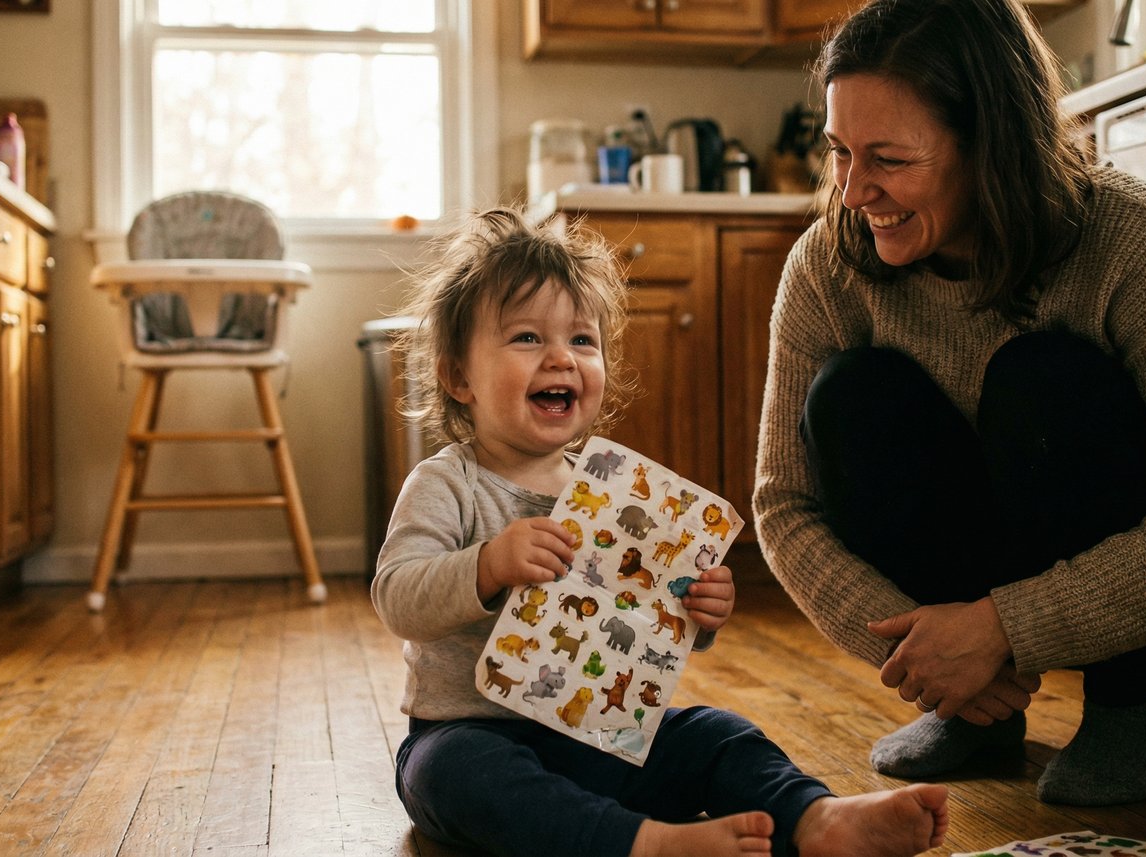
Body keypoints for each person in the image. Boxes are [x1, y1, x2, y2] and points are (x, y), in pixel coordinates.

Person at [752, 0, 1146, 808]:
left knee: (1043, 377)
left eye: (888, 158)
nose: (855, 190)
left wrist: (1004, 628)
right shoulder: (829, 265)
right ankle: (975, 714)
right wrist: (933, 658)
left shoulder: (1133, 237)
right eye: (838, 152)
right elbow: (782, 505)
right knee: (852, 395)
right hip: (977, 582)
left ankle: (1126, 703)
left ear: (988, 149)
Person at [372, 207, 950, 857]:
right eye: (527, 338)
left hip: (599, 736)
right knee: (450, 775)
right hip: (472, 734)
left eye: (582, 340)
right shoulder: (447, 483)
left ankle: (816, 816)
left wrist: (697, 612)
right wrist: (486, 564)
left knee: (715, 732)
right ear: (457, 377)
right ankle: (645, 843)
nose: (562, 355)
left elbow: (639, 617)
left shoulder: (612, 490)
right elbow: (396, 594)